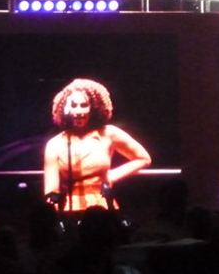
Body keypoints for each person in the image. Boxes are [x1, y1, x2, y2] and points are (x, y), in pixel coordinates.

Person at [43, 78, 151, 212]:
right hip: (69, 211)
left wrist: (113, 176)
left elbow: (143, 158)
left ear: (93, 107)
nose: (78, 111)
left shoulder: (108, 134)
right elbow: (51, 191)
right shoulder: (55, 144)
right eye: (73, 105)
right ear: (65, 109)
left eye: (84, 105)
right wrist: (55, 218)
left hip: (102, 209)